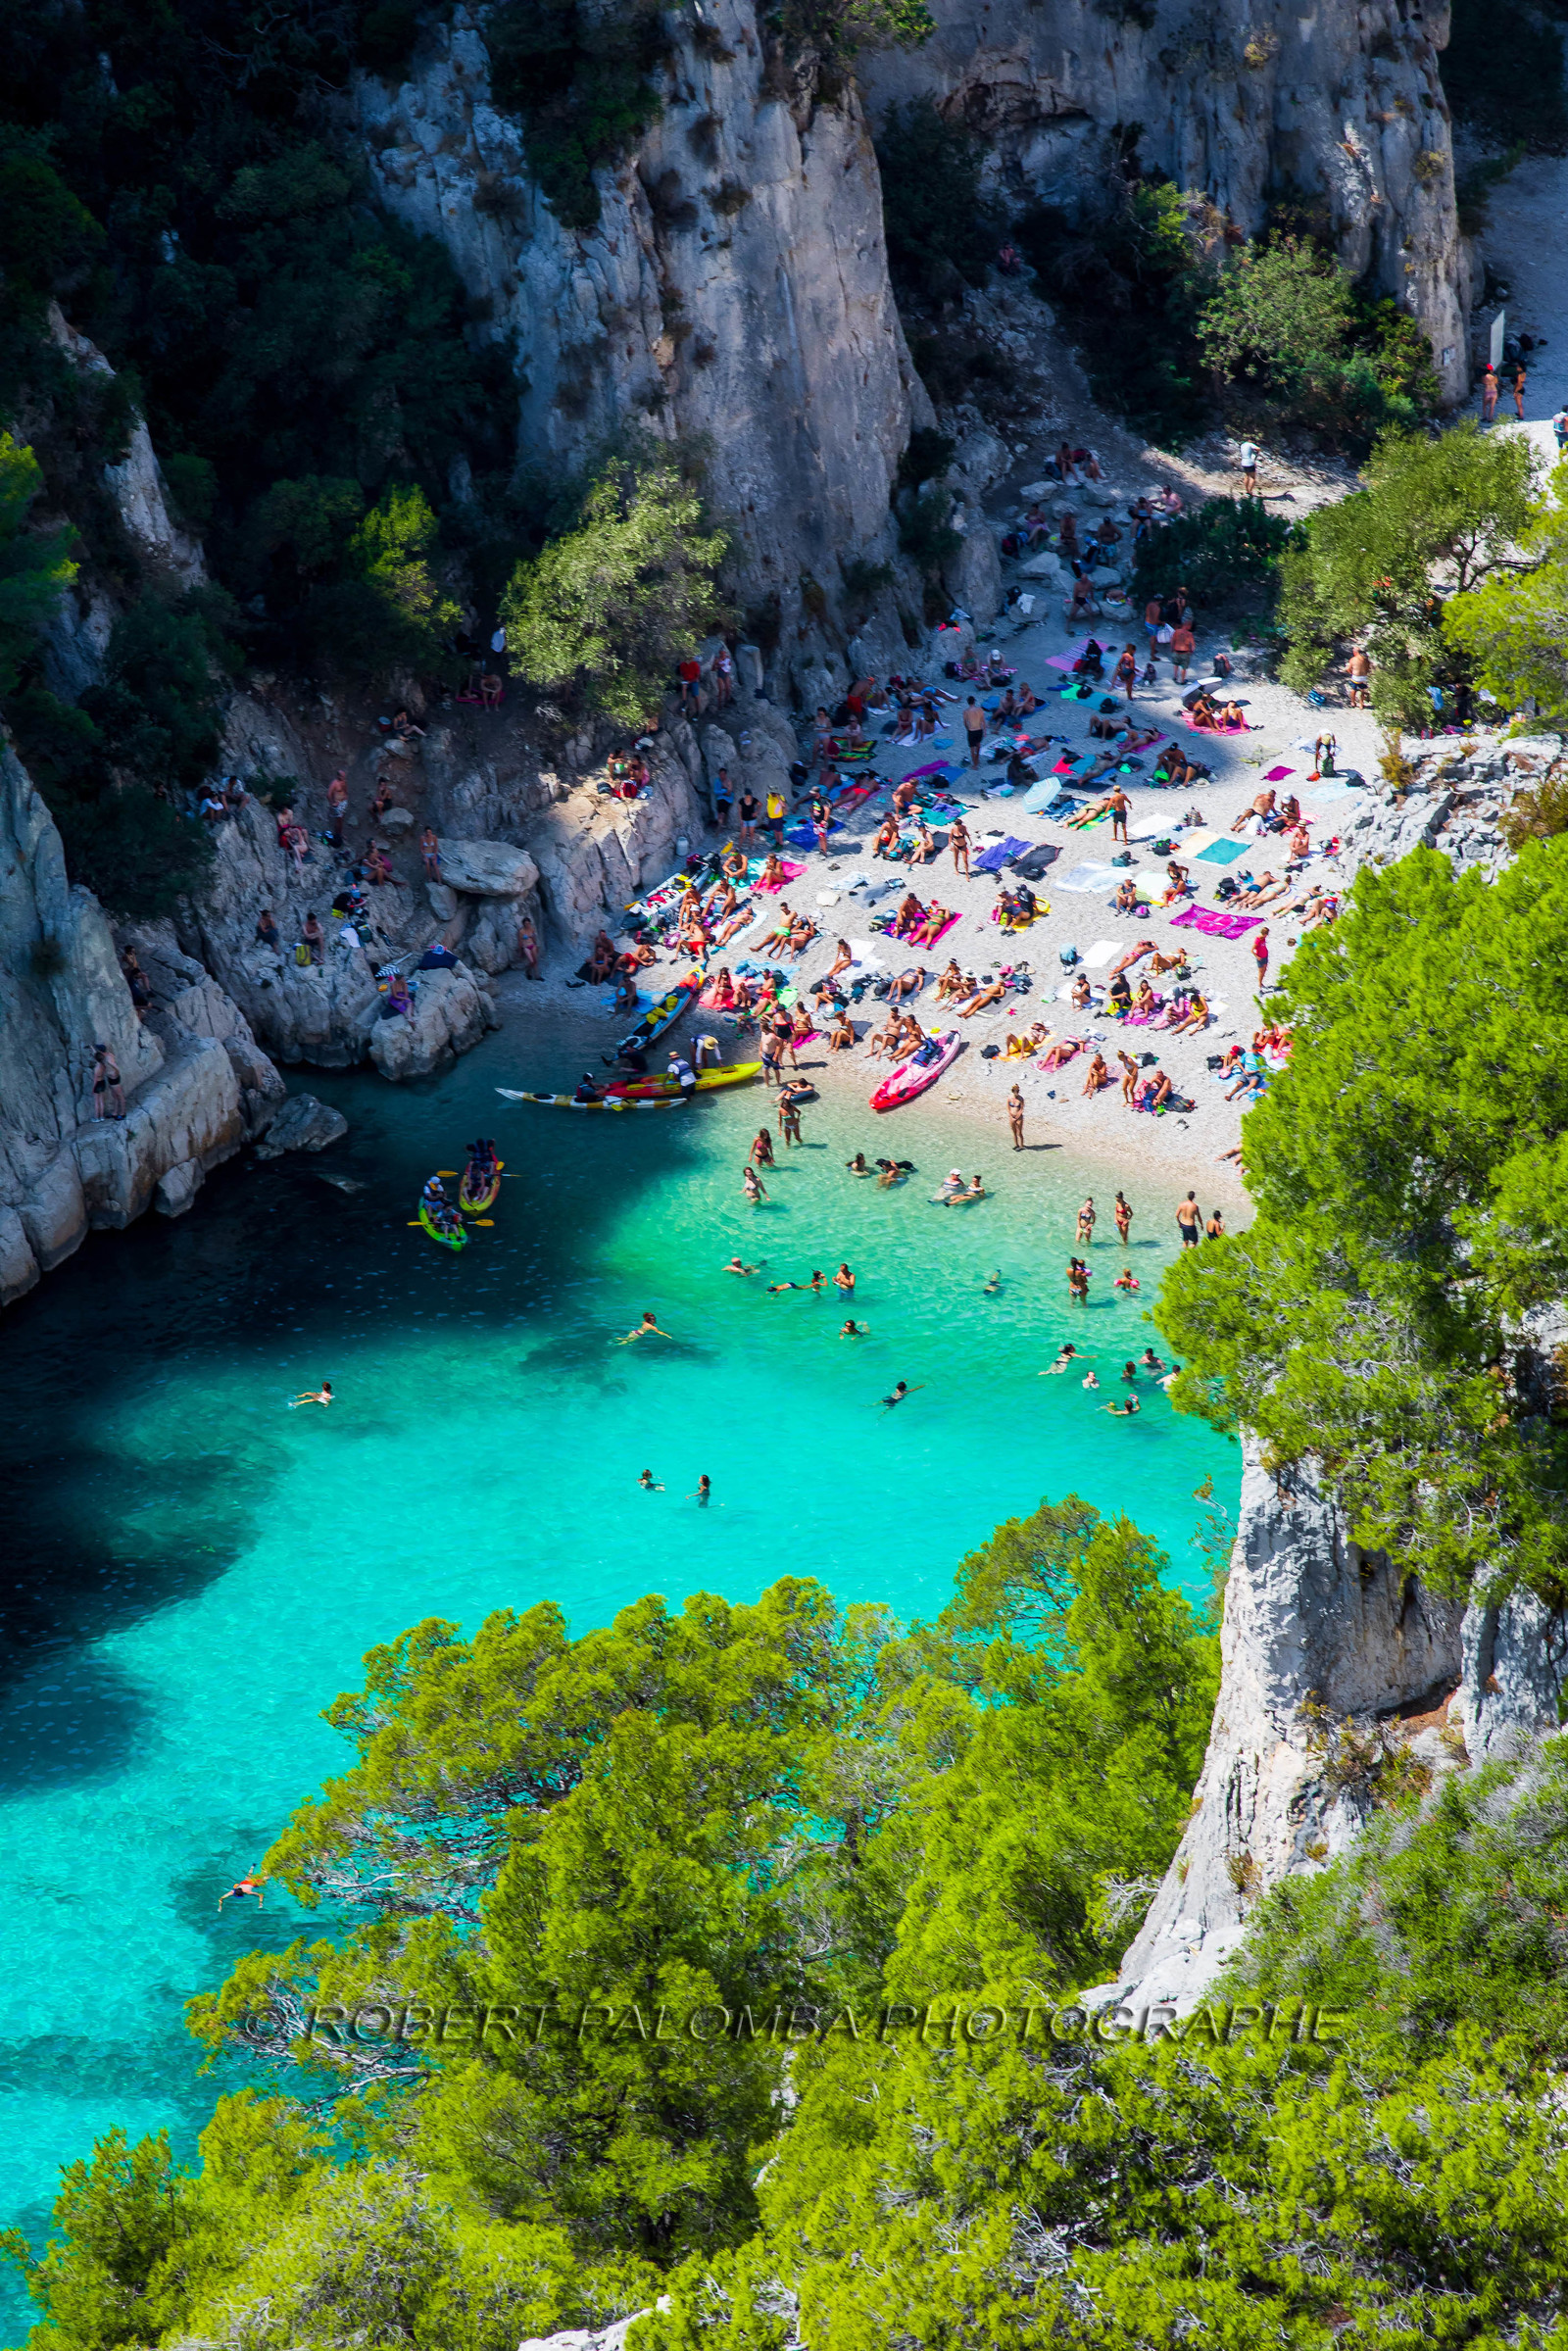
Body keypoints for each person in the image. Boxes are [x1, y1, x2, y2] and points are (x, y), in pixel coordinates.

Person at [91, 1044, 124, 1121]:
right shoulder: (104, 1057)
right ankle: (115, 1112)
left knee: (120, 1096)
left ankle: (122, 1113)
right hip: (110, 1079)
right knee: (115, 1096)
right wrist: (92, 1047)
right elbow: (96, 1056)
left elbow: (116, 1067)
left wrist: (116, 1074)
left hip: (114, 1079)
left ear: (100, 1051)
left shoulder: (108, 1058)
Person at [963, 699, 986, 768]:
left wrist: (968, 729)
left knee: (972, 748)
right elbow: (983, 721)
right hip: (979, 730)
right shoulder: (980, 710)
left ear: (968, 703)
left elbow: (965, 723)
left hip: (972, 730)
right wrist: (985, 731)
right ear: (974, 702)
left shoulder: (966, 712)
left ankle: (975, 764)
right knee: (978, 745)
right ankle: (977, 759)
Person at [1251, 923, 1270, 989]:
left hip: (1265, 955)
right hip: (1260, 957)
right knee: (1260, 971)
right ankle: (1259, 985)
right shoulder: (1258, 940)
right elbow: (1252, 950)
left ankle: (1261, 982)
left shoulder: (1264, 938)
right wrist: (1257, 957)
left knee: (1264, 970)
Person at [1007, 1083, 1024, 1151]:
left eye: (1018, 1091)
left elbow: (1021, 1109)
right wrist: (1011, 1115)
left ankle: (1022, 1145)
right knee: (1014, 1132)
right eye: (1015, 1091)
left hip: (1019, 1117)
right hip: (1012, 1117)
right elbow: (1008, 1108)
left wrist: (1017, 1116)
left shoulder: (1021, 1099)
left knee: (1019, 1132)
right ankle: (1016, 1144)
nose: (1017, 1092)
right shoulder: (1009, 1098)